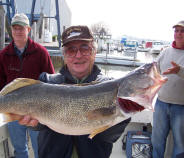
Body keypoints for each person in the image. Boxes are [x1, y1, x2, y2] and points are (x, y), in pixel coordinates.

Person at [19, 25, 145, 158]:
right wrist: (32, 123)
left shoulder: (112, 87)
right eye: (71, 50)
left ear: (94, 52)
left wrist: (123, 111)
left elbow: (108, 137)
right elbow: (41, 127)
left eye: (85, 48)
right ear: (64, 55)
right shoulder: (47, 82)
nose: (78, 55)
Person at [0, 13, 55, 158]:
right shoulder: (3, 55)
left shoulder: (41, 52)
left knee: (41, 149)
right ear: (11, 30)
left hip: (38, 111)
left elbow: (51, 81)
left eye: (22, 28)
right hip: (12, 108)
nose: (18, 31)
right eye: (15, 28)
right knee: (19, 149)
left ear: (28, 30)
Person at [152, 20, 184, 158]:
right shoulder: (165, 52)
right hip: (161, 103)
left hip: (181, 107)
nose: (179, 34)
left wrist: (179, 71)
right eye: (176, 30)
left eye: (182, 31)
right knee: (157, 141)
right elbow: (154, 71)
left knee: (180, 144)